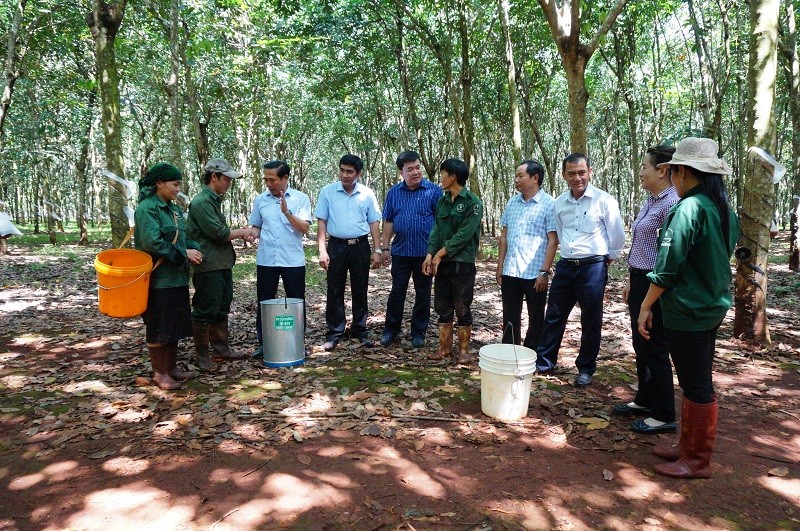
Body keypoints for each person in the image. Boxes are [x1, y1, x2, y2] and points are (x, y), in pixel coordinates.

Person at [637, 137, 739, 479]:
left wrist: (645, 306)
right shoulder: (721, 209)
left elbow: (667, 269)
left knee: (696, 384)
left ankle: (697, 459)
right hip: (710, 305)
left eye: (673, 171)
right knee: (696, 379)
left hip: (687, 310)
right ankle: (687, 446)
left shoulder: (688, 210)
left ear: (681, 172)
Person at [534, 153, 626, 387]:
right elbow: (561, 234)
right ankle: (544, 363)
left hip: (593, 267)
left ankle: (585, 368)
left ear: (590, 172)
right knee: (554, 316)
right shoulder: (559, 203)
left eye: (581, 172)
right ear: (564, 175)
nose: (577, 178)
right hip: (566, 266)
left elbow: (617, 236)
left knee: (591, 319)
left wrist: (607, 259)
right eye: (572, 173)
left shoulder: (604, 201)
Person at [614, 145, 680, 434]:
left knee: (655, 345)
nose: (640, 172)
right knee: (641, 344)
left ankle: (664, 412)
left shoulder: (672, 204)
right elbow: (642, 246)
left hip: (656, 284)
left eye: (645, 167)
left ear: (662, 170)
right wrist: (631, 281)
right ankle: (645, 399)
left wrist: (650, 300)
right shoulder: (650, 201)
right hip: (639, 278)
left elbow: (666, 258)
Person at [134, 163, 202, 390]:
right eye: (174, 184)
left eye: (179, 184)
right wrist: (184, 254)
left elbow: (184, 237)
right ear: (159, 184)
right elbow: (151, 242)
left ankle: (171, 368)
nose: (177, 188)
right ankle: (159, 373)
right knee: (159, 325)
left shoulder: (173, 209)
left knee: (174, 325)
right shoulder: (147, 208)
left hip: (177, 278)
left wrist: (193, 248)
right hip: (158, 279)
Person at [187, 157, 253, 371]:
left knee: (222, 305)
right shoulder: (201, 202)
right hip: (208, 265)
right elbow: (219, 233)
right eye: (226, 179)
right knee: (205, 308)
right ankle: (202, 356)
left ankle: (221, 348)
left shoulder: (213, 200)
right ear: (213, 177)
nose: (229, 183)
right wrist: (243, 232)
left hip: (221, 263)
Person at [315, 154, 382, 351]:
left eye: (350, 171)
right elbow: (322, 221)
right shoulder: (327, 192)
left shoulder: (367, 194)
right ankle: (335, 332)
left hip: (360, 246)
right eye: (342, 170)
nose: (345, 175)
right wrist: (322, 250)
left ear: (358, 174)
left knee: (360, 288)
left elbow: (374, 222)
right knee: (334, 289)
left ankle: (360, 330)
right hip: (337, 246)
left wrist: (377, 249)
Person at [249, 161, 312, 359]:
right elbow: (256, 226)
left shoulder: (301, 199)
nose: (268, 183)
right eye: (265, 179)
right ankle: (265, 343)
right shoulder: (260, 200)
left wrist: (287, 212)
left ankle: (298, 343)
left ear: (285, 178)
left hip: (292, 259)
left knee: (296, 300)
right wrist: (251, 234)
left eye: (272, 179)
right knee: (264, 301)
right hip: (267, 259)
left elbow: (304, 228)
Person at [379, 150, 442, 349]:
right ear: (401, 172)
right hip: (400, 252)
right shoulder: (394, 193)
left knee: (423, 293)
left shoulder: (433, 191)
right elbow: (388, 220)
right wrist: (385, 247)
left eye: (417, 168)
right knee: (397, 292)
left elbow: (440, 222)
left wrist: (435, 253)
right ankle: (391, 329)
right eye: (410, 169)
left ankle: (418, 332)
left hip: (425, 254)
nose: (415, 172)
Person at [423, 158, 483, 363]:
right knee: (442, 305)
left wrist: (440, 254)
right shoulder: (442, 200)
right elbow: (436, 230)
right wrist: (430, 254)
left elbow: (464, 235)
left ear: (453, 177)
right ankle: (444, 348)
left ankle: (464, 351)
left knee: (462, 306)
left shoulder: (472, 203)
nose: (440, 178)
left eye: (443, 174)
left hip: (461, 263)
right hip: (442, 263)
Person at [496, 160, 557, 351]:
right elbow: (504, 236)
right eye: (516, 176)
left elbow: (553, 241)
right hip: (511, 271)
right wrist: (500, 267)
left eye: (520, 176)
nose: (516, 180)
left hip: (534, 272)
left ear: (535, 178)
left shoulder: (549, 204)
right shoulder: (512, 203)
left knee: (536, 316)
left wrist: (544, 272)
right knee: (510, 316)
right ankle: (509, 352)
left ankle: (532, 354)